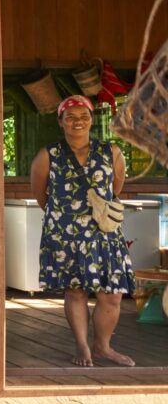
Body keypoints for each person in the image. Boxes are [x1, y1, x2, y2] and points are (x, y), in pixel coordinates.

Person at [30, 95, 135, 367]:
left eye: (84, 116)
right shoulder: (48, 155)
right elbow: (41, 195)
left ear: (92, 119)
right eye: (71, 117)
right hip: (65, 235)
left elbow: (116, 188)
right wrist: (65, 219)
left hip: (104, 233)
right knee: (75, 291)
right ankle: (82, 347)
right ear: (61, 121)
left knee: (112, 293)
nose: (78, 122)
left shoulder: (111, 151)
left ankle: (103, 347)